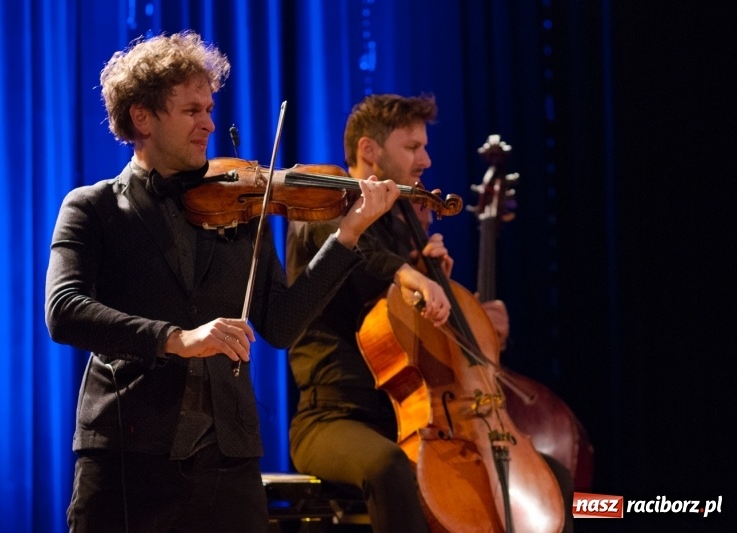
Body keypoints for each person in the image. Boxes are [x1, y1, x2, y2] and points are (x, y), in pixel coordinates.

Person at [45, 31, 401, 533]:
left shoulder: (241, 207)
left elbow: (279, 324)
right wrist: (177, 339)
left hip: (227, 461)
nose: (209, 123)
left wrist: (347, 235)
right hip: (129, 455)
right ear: (142, 118)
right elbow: (64, 310)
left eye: (210, 109)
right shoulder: (93, 207)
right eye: (192, 111)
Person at [286, 93, 574, 532]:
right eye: (412, 147)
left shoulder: (406, 225)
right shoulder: (326, 204)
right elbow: (360, 255)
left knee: (553, 475)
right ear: (369, 150)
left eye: (424, 145)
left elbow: (422, 351)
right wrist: (409, 273)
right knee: (388, 467)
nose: (426, 159)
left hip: (419, 421)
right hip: (335, 418)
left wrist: (473, 322)